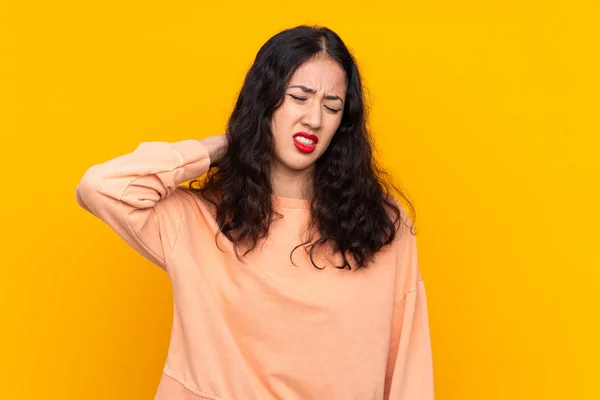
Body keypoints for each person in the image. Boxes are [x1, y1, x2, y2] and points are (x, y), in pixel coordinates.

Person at [76, 25, 434, 400]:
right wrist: (227, 144)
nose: (314, 118)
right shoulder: (200, 219)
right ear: (266, 101)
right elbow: (100, 185)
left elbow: (409, 368)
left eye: (332, 106)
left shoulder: (381, 227)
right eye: (299, 97)